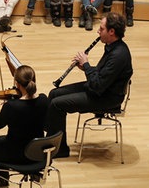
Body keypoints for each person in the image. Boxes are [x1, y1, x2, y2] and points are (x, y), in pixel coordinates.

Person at [47, 12, 133, 158]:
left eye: (101, 29)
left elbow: (98, 85)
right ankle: (49, 137)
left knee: (56, 104)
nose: (98, 31)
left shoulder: (119, 55)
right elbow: (101, 75)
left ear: (112, 32)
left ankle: (60, 149)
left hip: (106, 98)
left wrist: (86, 65)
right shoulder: (112, 46)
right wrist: (86, 67)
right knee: (54, 93)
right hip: (99, 89)